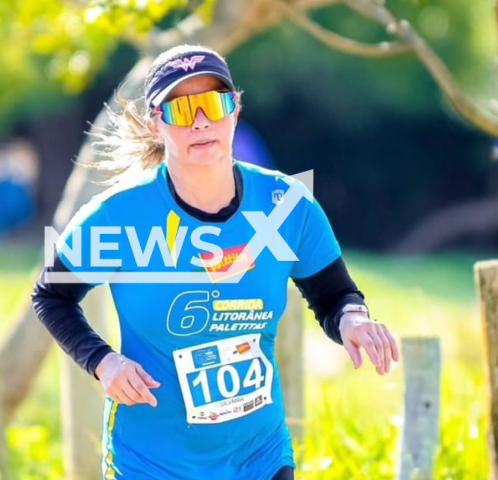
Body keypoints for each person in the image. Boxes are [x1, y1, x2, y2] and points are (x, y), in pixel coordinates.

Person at [32, 44, 399, 480]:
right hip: (151, 462)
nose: (201, 121)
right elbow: (50, 296)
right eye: (182, 109)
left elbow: (334, 294)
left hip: (258, 457)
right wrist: (103, 362)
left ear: (235, 111)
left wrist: (354, 320)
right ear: (156, 123)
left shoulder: (286, 205)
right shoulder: (117, 215)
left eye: (213, 103)